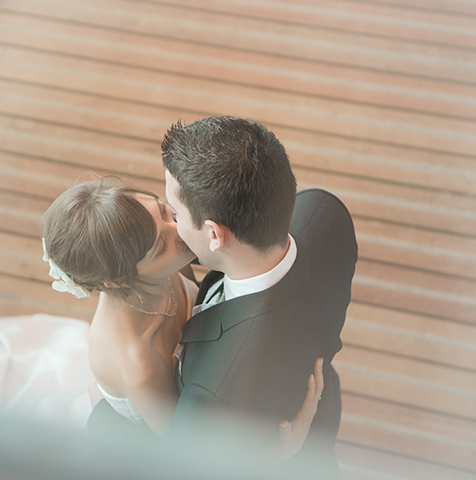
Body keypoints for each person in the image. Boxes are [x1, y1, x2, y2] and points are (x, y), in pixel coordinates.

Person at [0, 177, 324, 465]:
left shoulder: (165, 260)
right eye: (161, 245)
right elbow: (186, 448)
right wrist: (281, 451)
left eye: (163, 210)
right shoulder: (138, 363)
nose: (181, 231)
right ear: (118, 280)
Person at [89, 117, 358, 474]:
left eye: (176, 211)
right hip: (316, 405)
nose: (173, 222)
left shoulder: (210, 393)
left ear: (214, 235)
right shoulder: (324, 211)